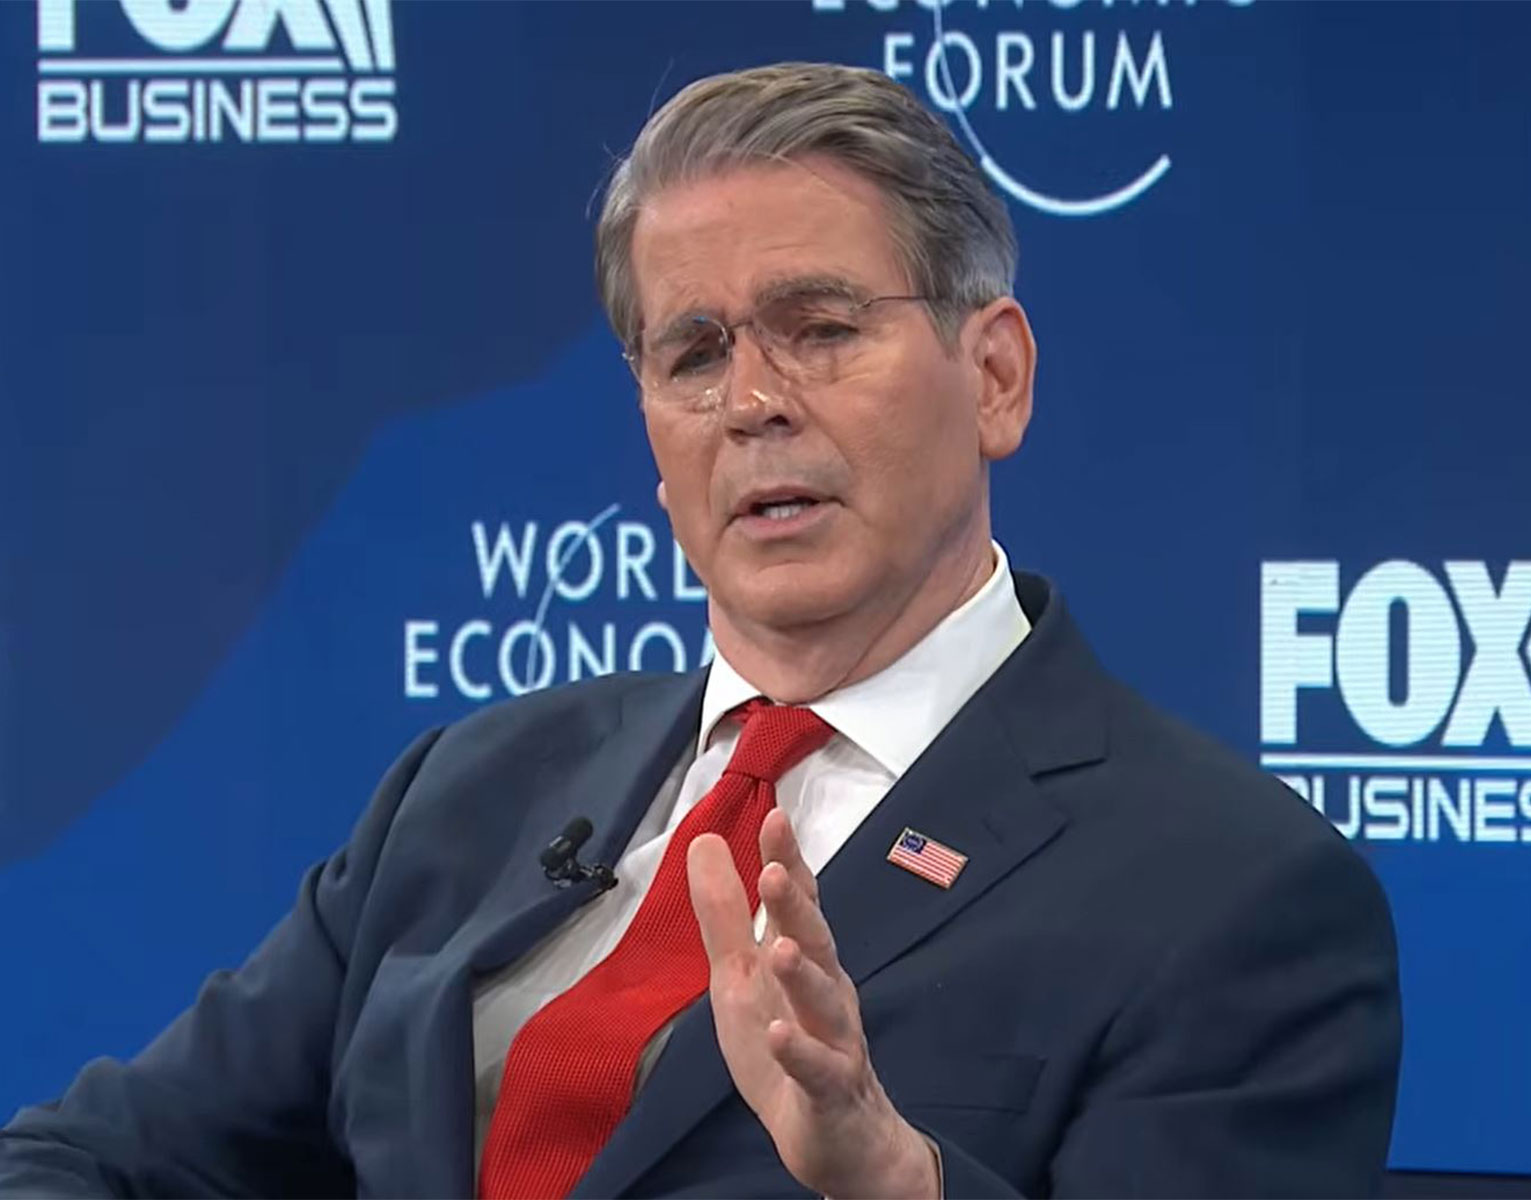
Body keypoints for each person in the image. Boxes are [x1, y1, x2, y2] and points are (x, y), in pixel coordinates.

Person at [0, 62, 1401, 1198]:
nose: (754, 402)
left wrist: (896, 1185)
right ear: (653, 434)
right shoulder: (466, 793)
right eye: (695, 352)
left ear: (995, 377)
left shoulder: (1237, 898)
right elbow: (87, 1161)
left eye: (821, 327)